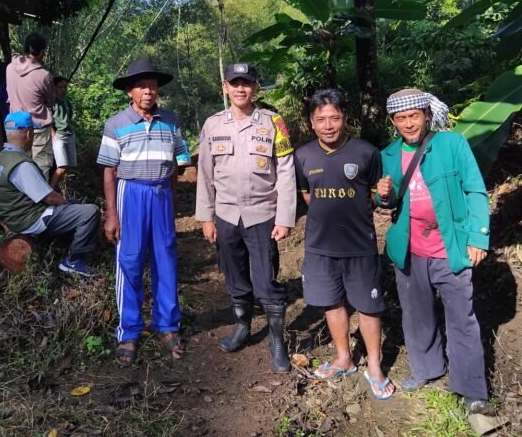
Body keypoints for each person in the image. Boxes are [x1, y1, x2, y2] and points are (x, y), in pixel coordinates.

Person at [375, 88, 492, 415]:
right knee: (416, 314)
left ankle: (471, 389)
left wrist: (478, 238)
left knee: (462, 318)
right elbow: (388, 201)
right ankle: (427, 368)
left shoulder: (452, 144)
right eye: (401, 118)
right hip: (410, 249)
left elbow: (475, 190)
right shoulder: (388, 155)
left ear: (427, 114)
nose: (408, 123)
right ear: (393, 121)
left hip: (450, 246)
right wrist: (382, 194)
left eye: (414, 116)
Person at [195, 62, 296, 373]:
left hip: (262, 214)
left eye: (247, 83)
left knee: (266, 280)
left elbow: (286, 171)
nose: (241, 88)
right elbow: (205, 174)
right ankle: (242, 327)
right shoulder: (213, 125)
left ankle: (276, 341)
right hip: (225, 214)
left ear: (256, 87)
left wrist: (285, 217)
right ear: (225, 87)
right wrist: (206, 217)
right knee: (234, 275)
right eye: (234, 83)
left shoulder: (273, 122)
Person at [294, 88, 394, 399]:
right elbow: (308, 196)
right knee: (332, 302)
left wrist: (382, 196)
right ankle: (344, 358)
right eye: (321, 119)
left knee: (368, 306)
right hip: (320, 245)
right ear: (312, 122)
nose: (328, 125)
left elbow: (376, 197)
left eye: (334, 118)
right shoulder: (303, 156)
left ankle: (374, 366)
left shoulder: (366, 152)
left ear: (344, 119)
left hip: (360, 244)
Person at [97, 58, 191, 367]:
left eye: (152, 86)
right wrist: (112, 215)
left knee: (166, 258)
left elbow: (178, 164)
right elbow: (109, 171)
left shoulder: (171, 121)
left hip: (161, 193)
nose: (148, 91)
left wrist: (173, 202)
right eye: (141, 86)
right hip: (131, 194)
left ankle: (168, 325)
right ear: (130, 92)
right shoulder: (116, 124)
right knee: (130, 261)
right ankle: (129, 331)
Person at [0, 111, 100, 276]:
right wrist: (65, 204)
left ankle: (65, 245)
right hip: (30, 219)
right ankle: (74, 262)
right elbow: (49, 197)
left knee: (74, 206)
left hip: (13, 217)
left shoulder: (0, 159)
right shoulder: (21, 165)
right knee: (89, 212)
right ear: (29, 134)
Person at [6, 32, 55, 180]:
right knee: (40, 166)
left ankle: (22, 194)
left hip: (16, 126)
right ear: (42, 52)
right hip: (37, 127)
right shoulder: (43, 75)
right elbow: (51, 100)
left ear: (25, 48)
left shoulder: (10, 68)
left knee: (19, 165)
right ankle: (39, 194)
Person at [50, 76, 76, 191]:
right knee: (62, 166)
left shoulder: (67, 102)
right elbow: (47, 120)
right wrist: (53, 135)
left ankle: (57, 188)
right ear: (54, 88)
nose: (63, 90)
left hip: (69, 134)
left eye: (65, 87)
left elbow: (69, 118)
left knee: (68, 166)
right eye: (60, 87)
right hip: (59, 136)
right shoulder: (52, 103)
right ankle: (50, 190)